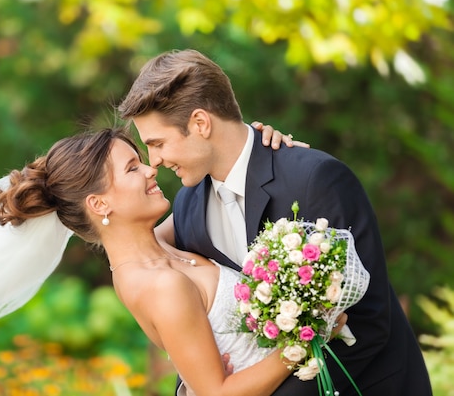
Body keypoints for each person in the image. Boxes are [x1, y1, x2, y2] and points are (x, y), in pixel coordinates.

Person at [0, 126, 337, 396]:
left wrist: (255, 144)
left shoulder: (159, 242)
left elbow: (218, 184)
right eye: (132, 167)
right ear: (101, 206)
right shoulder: (157, 285)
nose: (151, 168)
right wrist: (305, 339)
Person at [116, 49, 432, 396]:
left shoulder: (314, 179)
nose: (155, 161)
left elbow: (369, 324)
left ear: (200, 123)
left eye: (158, 143)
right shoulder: (188, 207)